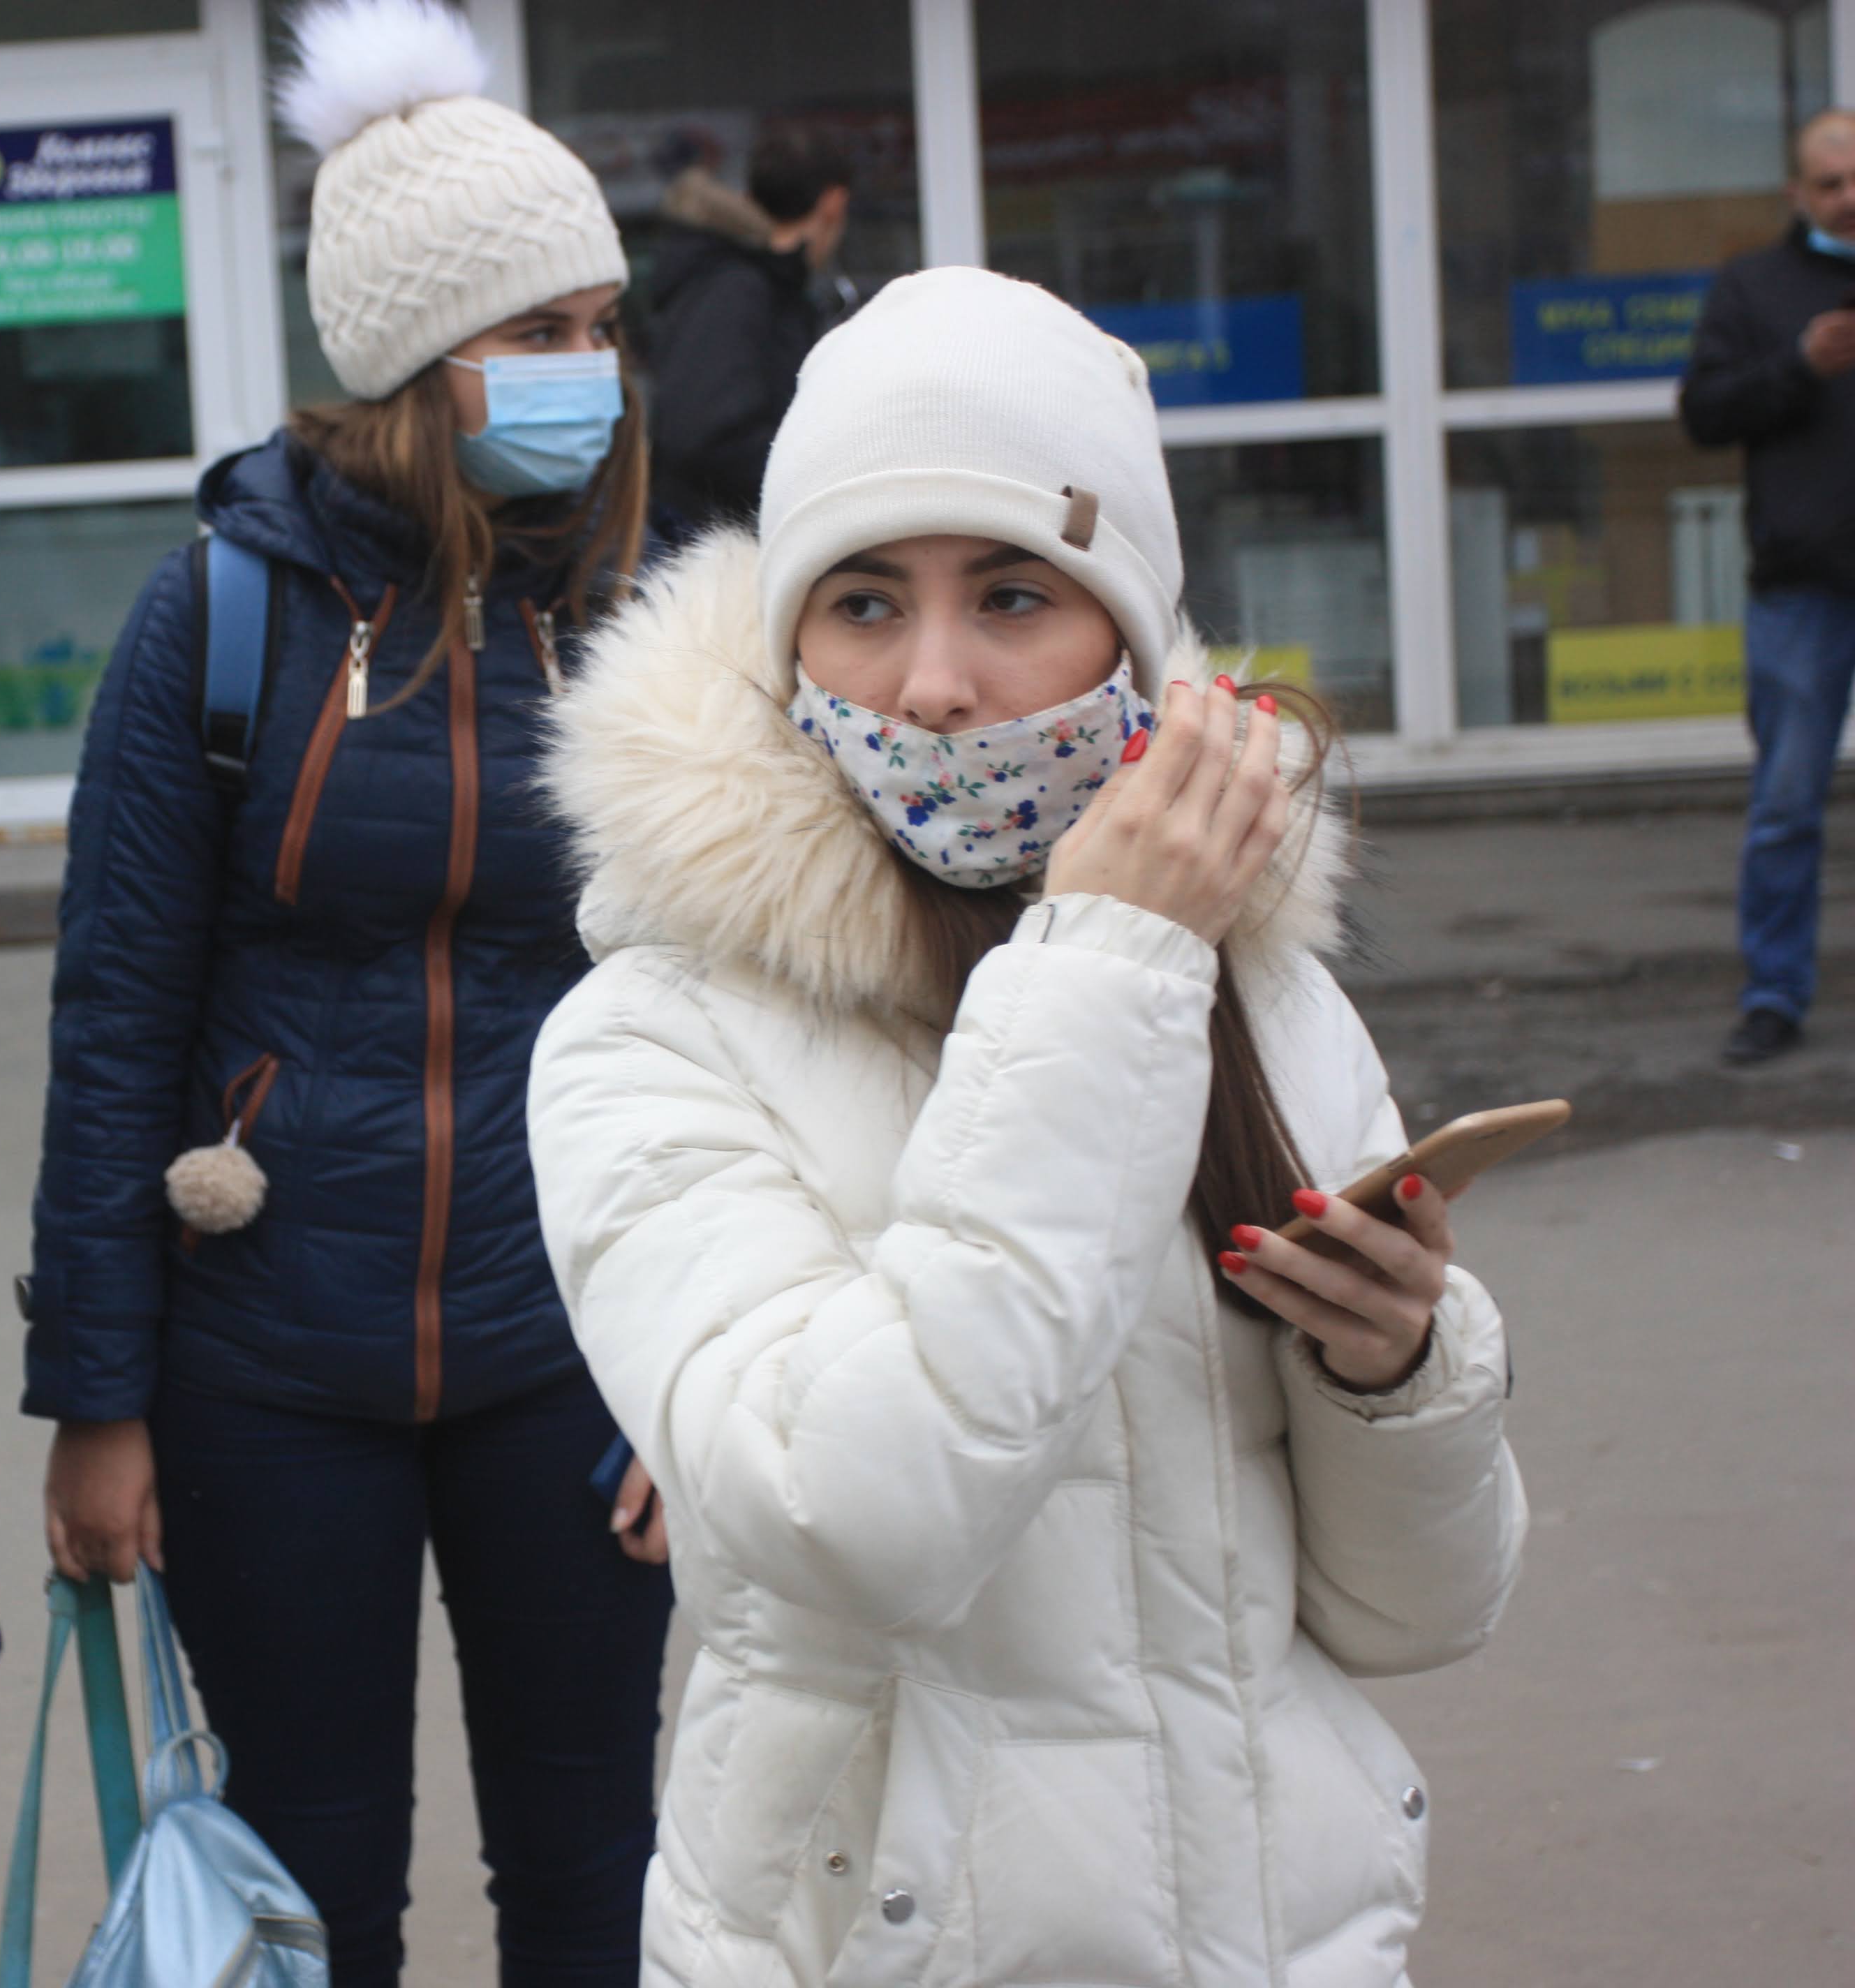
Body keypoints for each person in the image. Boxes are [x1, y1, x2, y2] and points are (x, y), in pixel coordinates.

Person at [526, 267, 1528, 1987]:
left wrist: (1399, 1374)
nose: (933, 682)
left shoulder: (1264, 988)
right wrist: (1108, 963)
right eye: (862, 601)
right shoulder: (653, 1033)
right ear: (786, 641)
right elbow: (859, 1516)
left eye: (1009, 594)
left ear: (1126, 634)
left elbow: (1415, 1611)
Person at [24, 2, 672, 1980]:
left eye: (602, 327)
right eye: (537, 330)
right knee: (317, 1888)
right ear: (411, 358)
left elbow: (740, 1020)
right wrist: (97, 1401)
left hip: (574, 1351)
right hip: (265, 1369)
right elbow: (116, 1019)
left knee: (599, 1864)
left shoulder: (652, 609)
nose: (588, 372)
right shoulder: (221, 614)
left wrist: (708, 1367)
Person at [1681, 106, 1855, 1067]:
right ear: (1799, 194)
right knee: (1787, 805)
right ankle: (1774, 994)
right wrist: (1798, 365)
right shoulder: (1755, 286)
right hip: (1802, 587)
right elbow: (1703, 411)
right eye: (1831, 184)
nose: (1849, 197)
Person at [644, 123, 854, 526]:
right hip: (719, 541)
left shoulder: (754, 282)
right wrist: (822, 487)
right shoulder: (739, 287)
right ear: (834, 204)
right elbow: (708, 436)